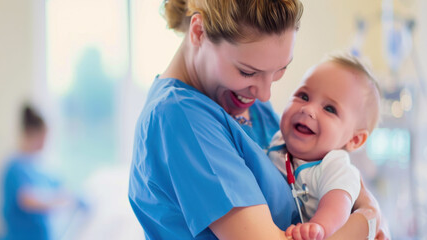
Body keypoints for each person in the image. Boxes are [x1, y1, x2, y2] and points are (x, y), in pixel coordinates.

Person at [128, 1, 389, 239]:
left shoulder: (246, 102)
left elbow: (328, 167)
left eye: (279, 71)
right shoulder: (181, 118)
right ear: (199, 32)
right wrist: (368, 220)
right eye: (247, 71)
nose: (265, 94)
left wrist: (366, 205)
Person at [267, 54, 381, 240]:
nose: (308, 109)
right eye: (303, 96)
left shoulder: (336, 167)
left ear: (354, 140)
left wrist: (319, 226)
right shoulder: (279, 140)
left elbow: (337, 205)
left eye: (329, 109)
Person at [0, 105, 80, 240]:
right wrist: (63, 200)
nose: (45, 143)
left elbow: (61, 187)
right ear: (31, 133)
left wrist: (74, 196)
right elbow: (27, 200)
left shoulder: (40, 169)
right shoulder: (14, 167)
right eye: (43, 137)